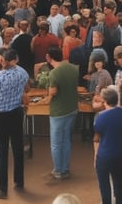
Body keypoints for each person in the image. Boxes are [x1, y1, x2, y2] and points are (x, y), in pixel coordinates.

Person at [0, 48, 29, 200]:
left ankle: (2, 188)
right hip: (16, 113)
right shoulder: (23, 72)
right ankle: (19, 181)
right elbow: (26, 88)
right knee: (17, 147)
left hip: (2, 115)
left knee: (2, 151)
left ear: (5, 60)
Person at [42, 45, 79, 180]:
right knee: (66, 140)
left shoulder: (54, 73)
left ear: (48, 57)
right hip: (72, 108)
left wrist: (47, 99)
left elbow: (53, 92)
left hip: (58, 112)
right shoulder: (73, 69)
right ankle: (65, 168)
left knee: (56, 143)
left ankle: (58, 170)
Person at [94, 86, 122, 204]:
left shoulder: (100, 117)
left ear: (105, 102)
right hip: (121, 152)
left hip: (105, 154)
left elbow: (97, 138)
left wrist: (96, 155)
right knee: (119, 180)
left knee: (104, 184)